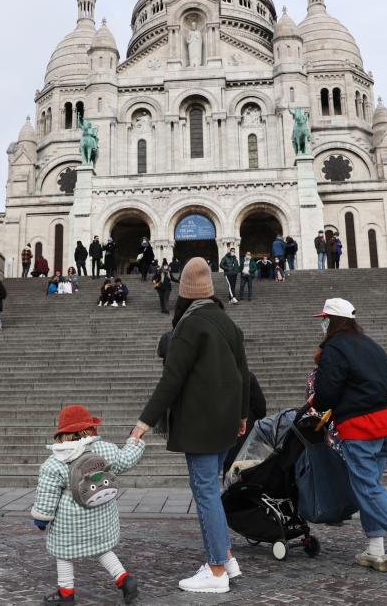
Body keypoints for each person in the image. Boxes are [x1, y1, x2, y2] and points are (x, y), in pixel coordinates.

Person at [133, 258, 250, 594]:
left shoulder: (190, 325)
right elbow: (243, 376)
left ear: (183, 290)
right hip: (226, 422)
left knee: (206, 494)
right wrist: (242, 416)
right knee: (211, 489)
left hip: (201, 424)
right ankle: (227, 558)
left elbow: (172, 379)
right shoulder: (228, 324)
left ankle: (215, 572)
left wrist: (144, 422)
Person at [310, 298, 387, 580]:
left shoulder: (334, 348)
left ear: (333, 321)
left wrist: (316, 403)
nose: (322, 322)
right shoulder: (372, 345)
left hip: (358, 425)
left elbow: (327, 392)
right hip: (384, 422)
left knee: (366, 487)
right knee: (369, 485)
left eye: (325, 318)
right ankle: (375, 549)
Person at [31, 405, 144, 605]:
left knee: (63, 554)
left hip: (69, 523)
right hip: (101, 514)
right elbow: (126, 460)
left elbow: (47, 495)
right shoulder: (104, 450)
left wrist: (41, 518)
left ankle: (66, 594)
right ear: (89, 429)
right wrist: (134, 442)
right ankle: (124, 579)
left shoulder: (54, 462)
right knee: (102, 549)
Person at [223, 372, 267, 473]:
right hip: (247, 434)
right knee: (248, 473)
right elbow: (260, 407)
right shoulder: (248, 376)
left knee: (229, 471)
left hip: (226, 434)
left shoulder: (219, 376)